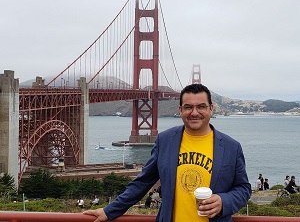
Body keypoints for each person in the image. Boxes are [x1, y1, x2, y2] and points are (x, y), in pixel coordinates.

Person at [83, 83, 251, 222]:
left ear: (211, 108)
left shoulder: (231, 147)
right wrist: (110, 210)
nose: (194, 113)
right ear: (180, 110)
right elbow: (143, 182)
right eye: (188, 107)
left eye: (201, 106)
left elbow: (243, 188)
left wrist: (224, 201)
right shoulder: (165, 140)